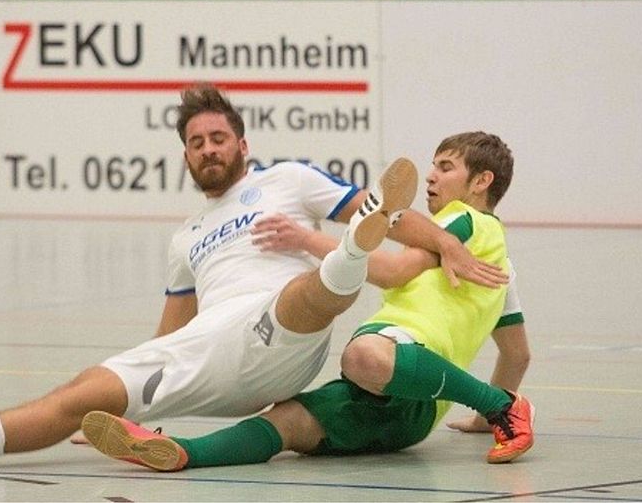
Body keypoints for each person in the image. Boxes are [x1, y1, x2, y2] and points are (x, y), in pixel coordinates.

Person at [0, 84, 506, 471]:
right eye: (197, 143)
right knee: (82, 391)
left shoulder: (289, 180)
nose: (209, 149)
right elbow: (172, 331)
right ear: (187, 157)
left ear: (242, 144)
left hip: (284, 331)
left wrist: (446, 242)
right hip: (215, 353)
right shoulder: (185, 237)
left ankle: (347, 257)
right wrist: (138, 391)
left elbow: (387, 213)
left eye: (219, 138)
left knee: (308, 285)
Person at [81, 130, 534, 471]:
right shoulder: (501, 270)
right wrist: (479, 417)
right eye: (432, 165)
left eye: (446, 167)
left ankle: (499, 407)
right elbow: (517, 354)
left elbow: (393, 271)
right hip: (415, 414)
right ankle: (183, 454)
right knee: (287, 422)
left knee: (361, 355)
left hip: (395, 362)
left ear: (482, 182)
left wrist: (308, 240)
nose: (432, 176)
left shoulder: (465, 221)